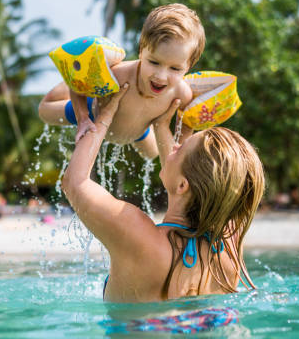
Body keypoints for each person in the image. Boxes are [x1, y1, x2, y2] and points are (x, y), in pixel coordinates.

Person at [61, 85, 265, 302]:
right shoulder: (229, 246)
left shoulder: (137, 234)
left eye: (182, 148)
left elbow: (75, 182)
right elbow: (193, 187)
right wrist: (161, 127)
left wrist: (103, 116)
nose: (174, 148)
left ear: (182, 186)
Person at [39, 3, 204, 158]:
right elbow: (79, 85)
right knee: (44, 112)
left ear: (189, 66)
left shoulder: (182, 94)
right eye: (154, 62)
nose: (160, 76)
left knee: (151, 154)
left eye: (175, 69)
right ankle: (66, 82)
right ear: (141, 51)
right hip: (93, 112)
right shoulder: (118, 75)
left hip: (138, 132)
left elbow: (187, 122)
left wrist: (180, 147)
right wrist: (83, 119)